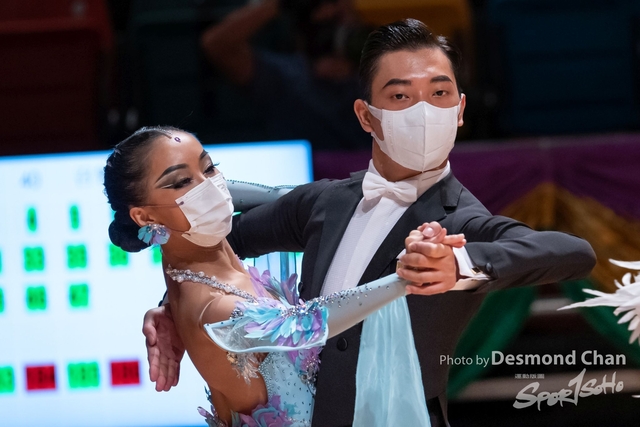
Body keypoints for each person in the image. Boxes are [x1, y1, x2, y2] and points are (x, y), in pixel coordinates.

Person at [144, 19, 597, 426]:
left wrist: (461, 265)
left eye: (439, 94)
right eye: (401, 96)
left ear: (460, 110)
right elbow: (213, 242)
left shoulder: (463, 222)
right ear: (366, 115)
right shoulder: (324, 201)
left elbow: (575, 253)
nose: (423, 111)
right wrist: (173, 307)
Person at [105, 125, 466, 426]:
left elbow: (288, 199)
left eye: (210, 168)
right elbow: (309, 323)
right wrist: (406, 278)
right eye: (182, 181)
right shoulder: (213, 307)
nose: (208, 188)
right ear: (144, 216)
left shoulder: (208, 266)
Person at [200, 0, 373, 150]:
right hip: (304, 174)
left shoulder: (373, 77)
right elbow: (216, 44)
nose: (327, 37)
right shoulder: (282, 76)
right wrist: (283, 3)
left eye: (335, 23)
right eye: (317, 29)